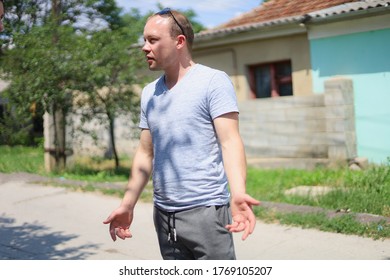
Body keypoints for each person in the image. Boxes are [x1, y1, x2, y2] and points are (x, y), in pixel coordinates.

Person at [103, 8, 260, 260]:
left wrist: (238, 192)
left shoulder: (213, 82)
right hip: (164, 216)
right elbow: (146, 153)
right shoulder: (149, 93)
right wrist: (127, 204)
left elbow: (230, 141)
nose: (144, 47)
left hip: (206, 212)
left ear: (179, 42)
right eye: (144, 40)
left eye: (152, 40)